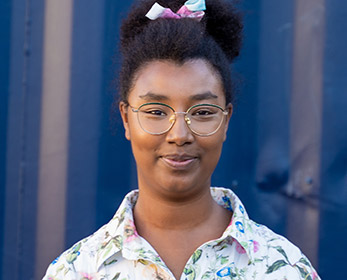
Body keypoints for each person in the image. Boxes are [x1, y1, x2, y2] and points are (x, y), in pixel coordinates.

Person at [43, 0, 320, 279]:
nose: (179, 135)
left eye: (202, 112)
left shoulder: (284, 268)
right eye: (156, 111)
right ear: (126, 119)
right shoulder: (76, 270)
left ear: (226, 120)